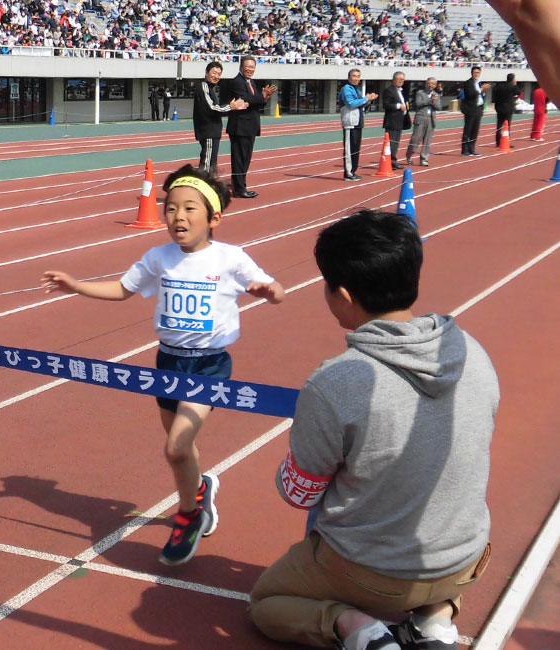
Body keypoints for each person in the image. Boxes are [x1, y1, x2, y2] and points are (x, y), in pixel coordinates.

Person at [249, 210, 498, 650]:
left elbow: (300, 493)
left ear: (343, 295)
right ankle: (437, 618)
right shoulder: (471, 350)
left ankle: (357, 627)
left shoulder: (335, 382)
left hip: (373, 575)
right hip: (464, 561)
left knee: (266, 603)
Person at [41, 164, 285, 566]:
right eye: (170, 208)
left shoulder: (230, 258)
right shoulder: (159, 258)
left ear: (214, 218)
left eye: (189, 208)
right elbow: (122, 289)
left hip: (208, 366)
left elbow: (277, 290)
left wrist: (269, 291)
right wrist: (76, 286)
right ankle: (200, 488)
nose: (178, 217)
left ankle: (189, 515)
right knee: (181, 449)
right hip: (168, 363)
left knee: (175, 448)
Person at [223, 57, 276, 199]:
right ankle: (239, 189)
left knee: (245, 159)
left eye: (252, 67)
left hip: (250, 126)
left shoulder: (251, 82)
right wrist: (261, 96)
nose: (250, 69)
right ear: (241, 67)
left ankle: (241, 186)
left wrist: (265, 97)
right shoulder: (237, 82)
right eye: (247, 66)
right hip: (240, 127)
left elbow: (255, 102)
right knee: (239, 159)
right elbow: (244, 100)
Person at [192, 62, 236, 177]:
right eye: (214, 73)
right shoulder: (204, 87)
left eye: (219, 74)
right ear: (206, 73)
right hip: (208, 131)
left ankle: (208, 183)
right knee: (206, 164)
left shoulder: (210, 88)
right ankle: (202, 184)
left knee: (212, 163)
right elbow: (212, 108)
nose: (216, 76)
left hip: (213, 131)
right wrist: (231, 107)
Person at [339, 69, 378, 182]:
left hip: (358, 121)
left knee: (356, 148)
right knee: (349, 149)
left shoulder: (357, 89)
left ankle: (353, 171)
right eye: (354, 76)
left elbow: (361, 104)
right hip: (350, 122)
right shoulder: (346, 89)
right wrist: (366, 98)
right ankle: (348, 173)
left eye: (358, 76)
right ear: (349, 77)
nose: (356, 78)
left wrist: (369, 100)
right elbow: (351, 103)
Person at [406, 78, 441, 166]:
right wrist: (430, 100)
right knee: (415, 139)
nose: (430, 85)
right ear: (426, 84)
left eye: (433, 84)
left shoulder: (436, 95)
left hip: (431, 119)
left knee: (427, 142)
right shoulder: (420, 93)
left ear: (435, 85)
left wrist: (434, 102)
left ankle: (424, 159)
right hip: (421, 118)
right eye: (429, 83)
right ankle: (409, 154)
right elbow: (418, 103)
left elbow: (439, 107)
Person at [381, 71, 409, 170]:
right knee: (391, 143)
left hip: (399, 121)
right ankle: (390, 162)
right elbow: (386, 105)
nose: (401, 81)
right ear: (393, 80)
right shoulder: (389, 90)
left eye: (402, 79)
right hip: (392, 121)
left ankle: (393, 160)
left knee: (396, 143)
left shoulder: (401, 91)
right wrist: (398, 106)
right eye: (399, 79)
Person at [460, 66, 490, 156]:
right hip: (470, 109)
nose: (476, 74)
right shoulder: (468, 83)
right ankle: (465, 150)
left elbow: (481, 95)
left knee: (475, 130)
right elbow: (470, 94)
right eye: (475, 72)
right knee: (468, 130)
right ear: (472, 73)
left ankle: (472, 149)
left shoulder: (479, 83)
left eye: (478, 72)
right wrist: (481, 90)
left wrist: (483, 91)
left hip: (478, 109)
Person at [492, 73, 521, 148]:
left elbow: (494, 94)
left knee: (499, 125)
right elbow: (518, 91)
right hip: (508, 108)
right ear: (513, 79)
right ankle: (506, 141)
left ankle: (498, 142)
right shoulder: (512, 86)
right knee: (507, 126)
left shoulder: (499, 86)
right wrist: (515, 84)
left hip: (499, 107)